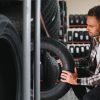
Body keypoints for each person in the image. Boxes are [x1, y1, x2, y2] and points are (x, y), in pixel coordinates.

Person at [60, 5, 100, 100]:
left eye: (91, 26)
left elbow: (99, 78)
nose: (87, 28)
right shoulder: (95, 39)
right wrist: (69, 62)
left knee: (88, 98)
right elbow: (89, 60)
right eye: (87, 25)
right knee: (72, 71)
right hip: (96, 76)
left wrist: (76, 81)